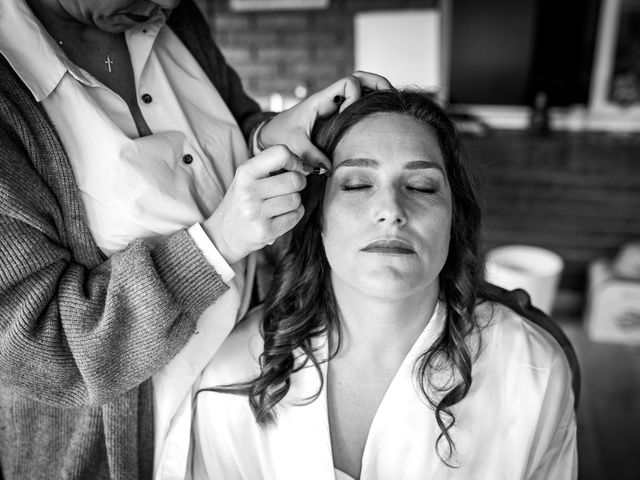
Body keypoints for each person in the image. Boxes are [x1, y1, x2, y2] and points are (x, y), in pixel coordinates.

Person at [0, 0, 391, 478]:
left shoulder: (171, 15)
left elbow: (227, 127)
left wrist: (268, 135)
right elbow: (40, 345)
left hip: (248, 395)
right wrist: (216, 244)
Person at [192, 89, 578, 479]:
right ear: (318, 216)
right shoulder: (231, 374)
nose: (391, 211)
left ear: (453, 219)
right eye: (357, 185)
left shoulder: (534, 373)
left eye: (421, 187)